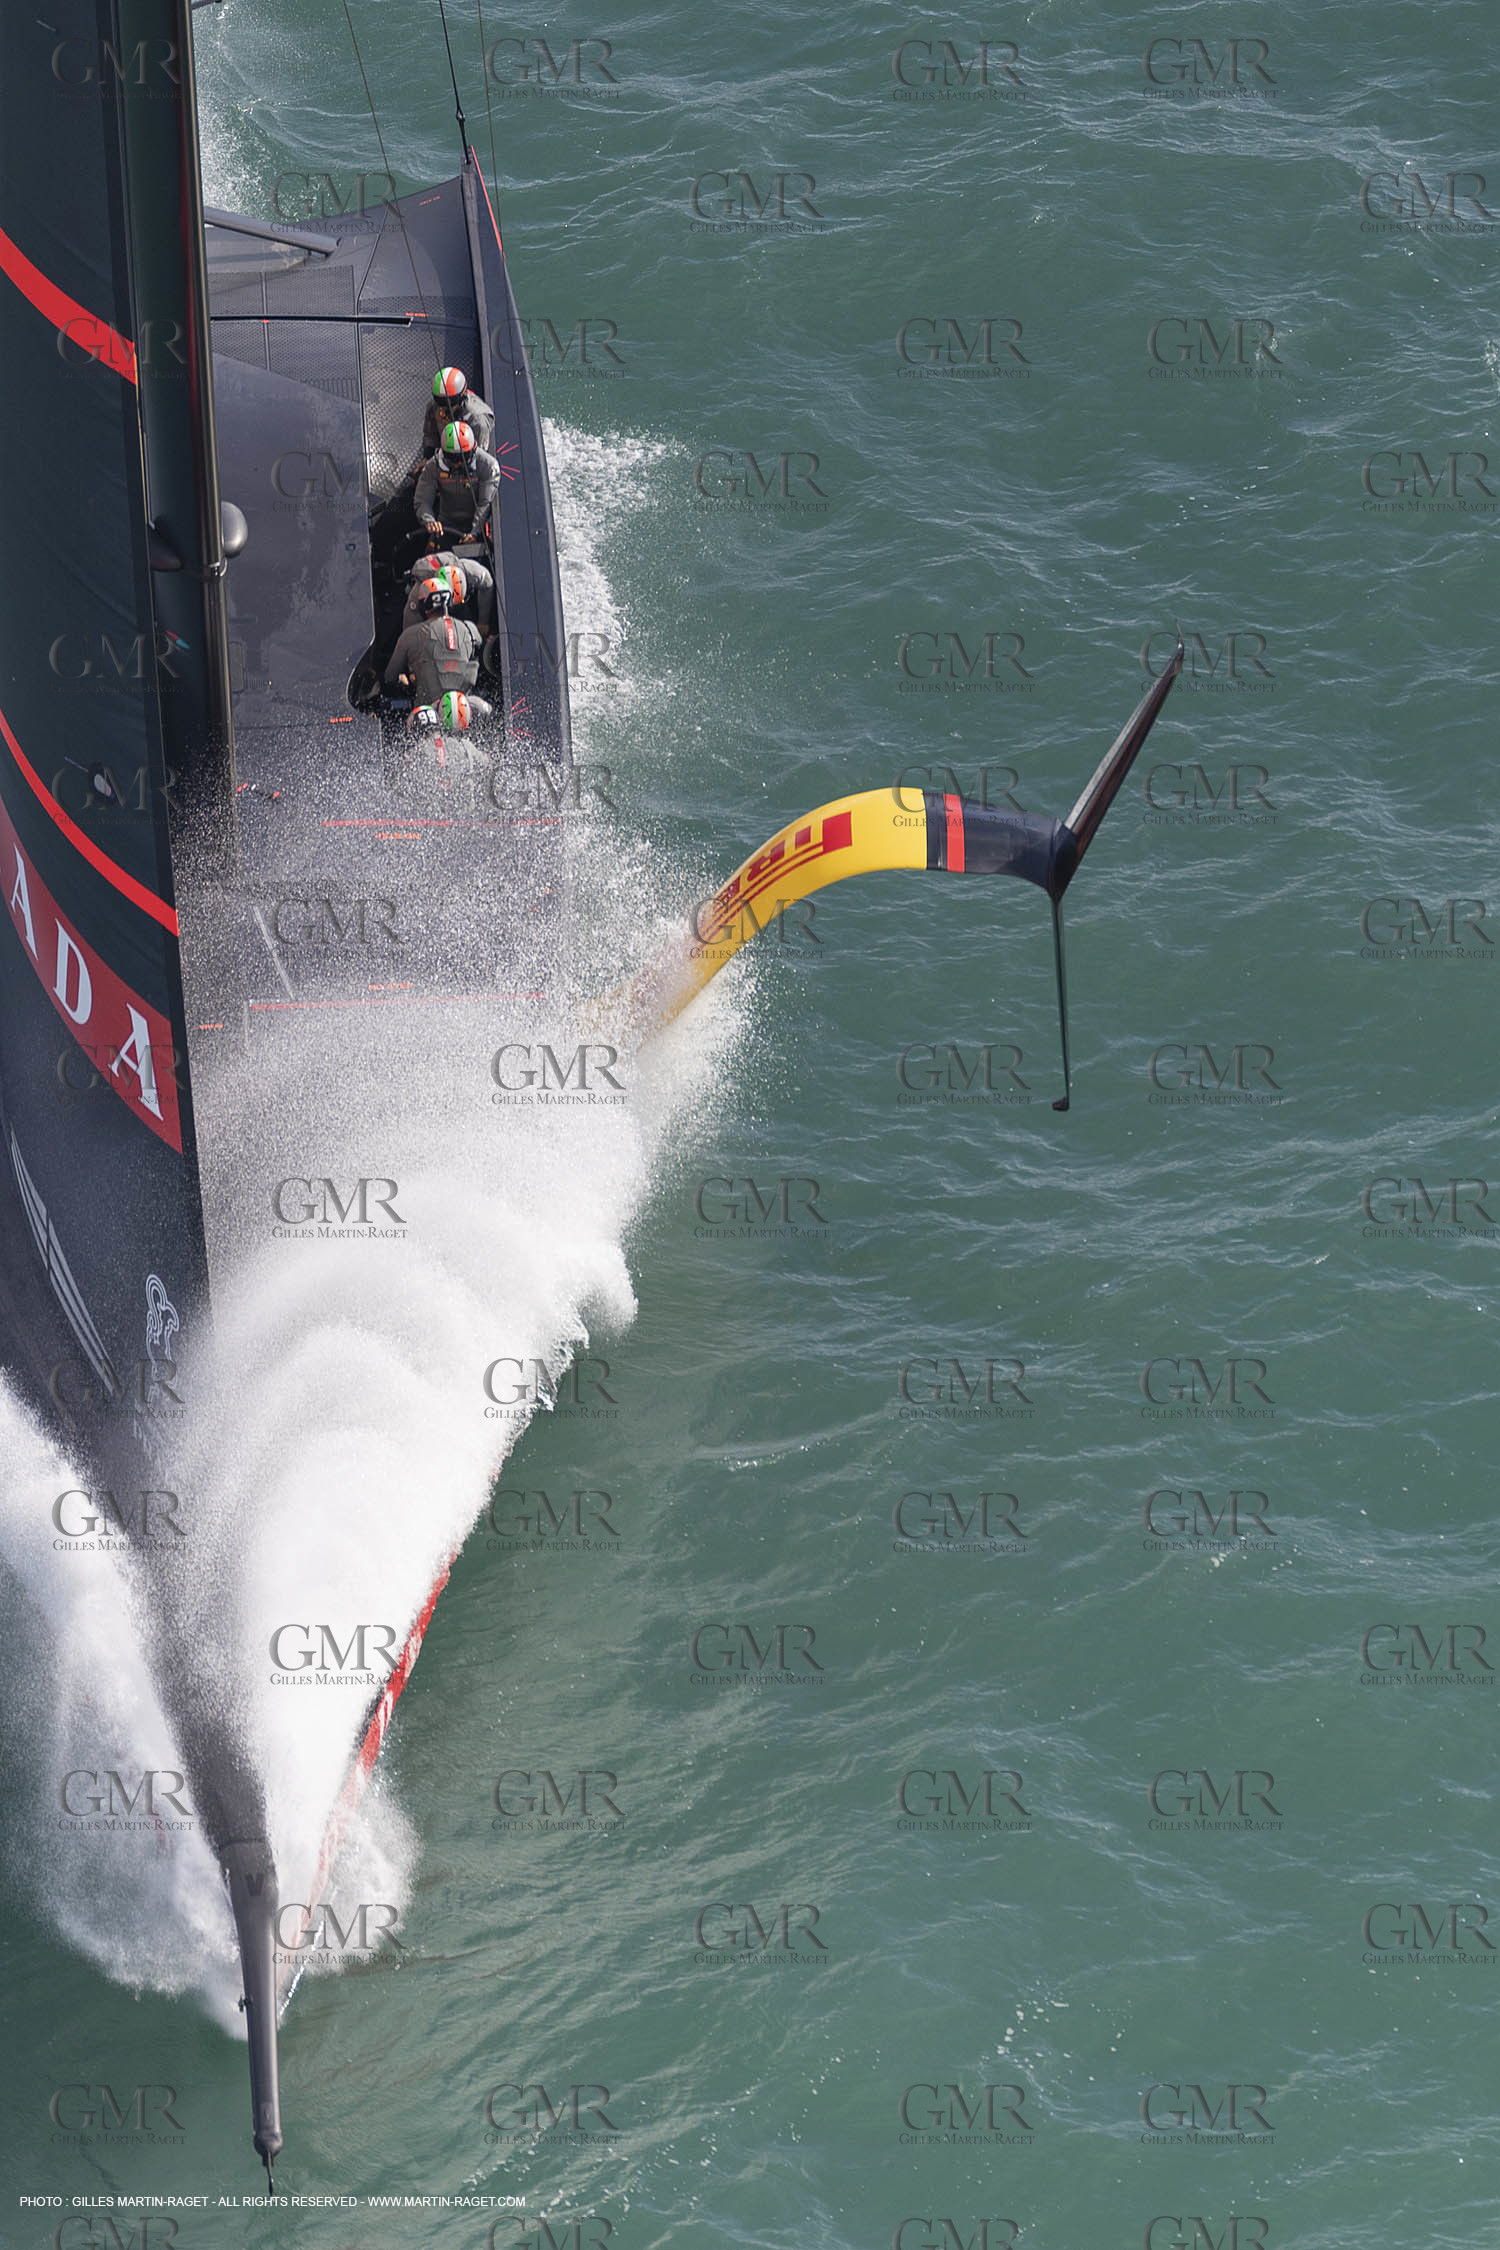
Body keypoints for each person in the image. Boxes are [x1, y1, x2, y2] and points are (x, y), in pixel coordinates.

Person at [382, 577, 483, 705]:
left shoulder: (409, 635)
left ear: (423, 604)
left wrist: (405, 678)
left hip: (428, 711)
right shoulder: (470, 629)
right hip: (463, 707)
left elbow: (390, 677)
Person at [414, 421, 499, 547]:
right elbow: (422, 500)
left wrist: (475, 532)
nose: (457, 463)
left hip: (475, 527)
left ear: (473, 450)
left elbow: (484, 504)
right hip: (445, 525)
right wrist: (429, 521)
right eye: (452, 458)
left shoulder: (488, 466)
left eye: (463, 457)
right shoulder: (433, 466)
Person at [406, 549, 496, 633]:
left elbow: (487, 584)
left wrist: (483, 622)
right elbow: (409, 628)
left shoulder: (472, 572)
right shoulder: (421, 590)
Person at [421, 367, 495, 459]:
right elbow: (429, 434)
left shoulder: (477, 421)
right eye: (440, 401)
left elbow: (478, 456)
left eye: (449, 402)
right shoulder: (435, 405)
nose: (443, 408)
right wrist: (428, 456)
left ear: (460, 397)